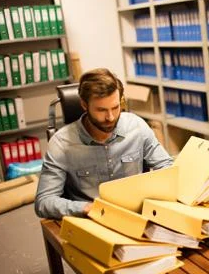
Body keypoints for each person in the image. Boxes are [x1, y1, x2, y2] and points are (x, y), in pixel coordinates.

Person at [35, 68, 173, 219]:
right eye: (101, 110)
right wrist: (86, 208)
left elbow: (167, 168)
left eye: (115, 107)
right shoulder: (62, 143)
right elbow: (44, 202)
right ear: (84, 105)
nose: (110, 117)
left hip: (137, 215)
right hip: (92, 219)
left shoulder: (136, 126)